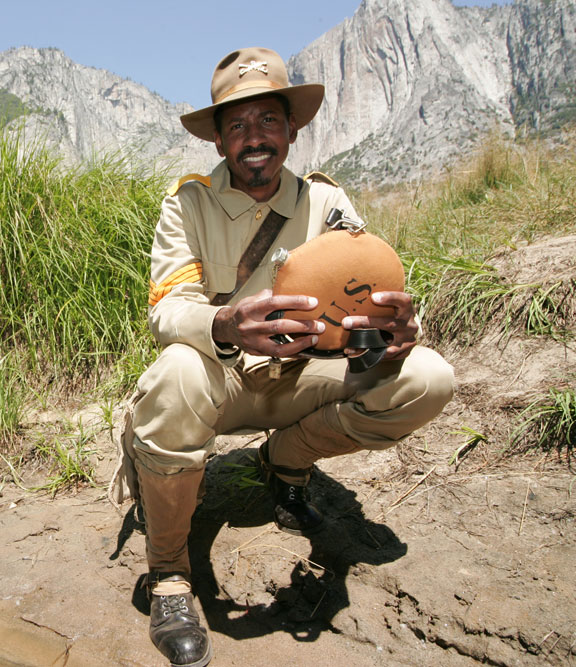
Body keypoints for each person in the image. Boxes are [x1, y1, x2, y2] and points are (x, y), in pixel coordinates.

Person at [109, 47, 455, 667]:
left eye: (268, 120)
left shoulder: (326, 203)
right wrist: (224, 323)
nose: (254, 138)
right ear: (218, 142)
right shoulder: (186, 204)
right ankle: (168, 575)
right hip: (223, 379)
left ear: (292, 130)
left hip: (303, 377)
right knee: (174, 374)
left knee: (426, 377)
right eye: (236, 125)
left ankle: (285, 466)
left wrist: (398, 327)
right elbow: (167, 309)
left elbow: (369, 290)